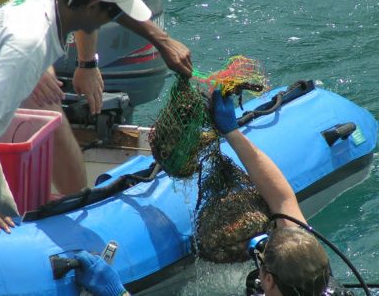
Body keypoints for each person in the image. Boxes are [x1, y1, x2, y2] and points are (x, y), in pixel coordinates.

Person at [74, 89, 330, 295]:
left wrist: (115, 292)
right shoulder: (322, 284)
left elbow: (283, 199)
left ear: (270, 281)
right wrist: (232, 131)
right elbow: (282, 198)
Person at [0, 0, 156, 233]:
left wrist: (162, 42)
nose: (114, 20)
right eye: (112, 14)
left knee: (5, 215)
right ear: (92, 7)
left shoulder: (47, 6)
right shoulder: (30, 44)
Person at [22, 10, 193, 195]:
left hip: (31, 35)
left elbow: (92, 4)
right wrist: (27, 63)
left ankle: (75, 204)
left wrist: (87, 64)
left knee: (50, 111)